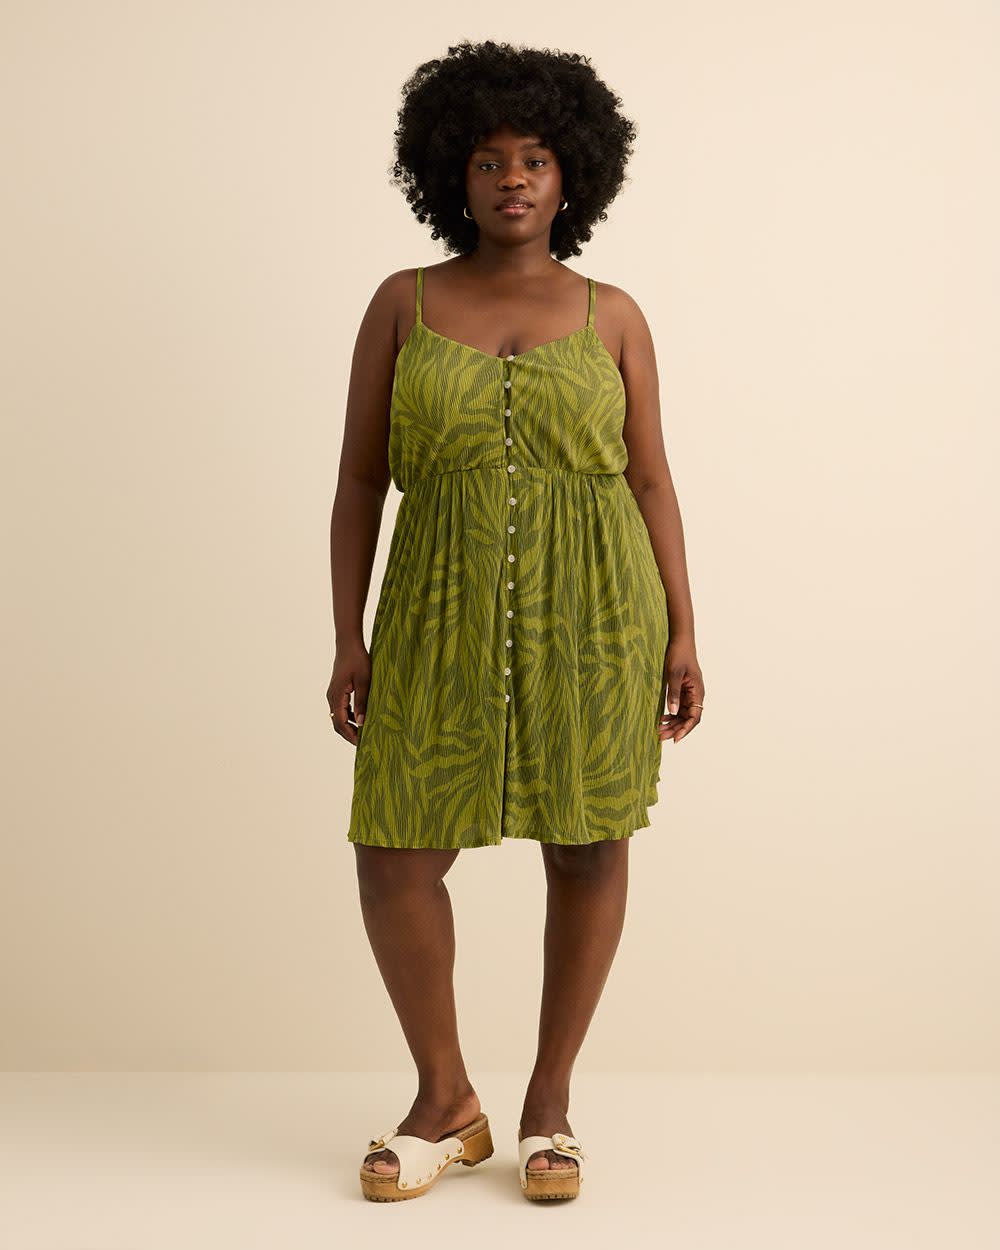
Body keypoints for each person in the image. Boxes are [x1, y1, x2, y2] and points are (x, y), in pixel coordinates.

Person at [327, 39, 705, 1203]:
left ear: (570, 172)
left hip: (596, 610)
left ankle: (549, 1106)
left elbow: (650, 478)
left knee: (588, 843)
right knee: (395, 849)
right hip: (432, 610)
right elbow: (359, 479)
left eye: (534, 157)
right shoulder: (401, 304)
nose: (511, 179)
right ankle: (445, 1100)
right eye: (488, 158)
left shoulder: (613, 315)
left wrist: (684, 631)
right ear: (451, 171)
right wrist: (347, 636)